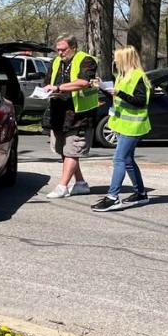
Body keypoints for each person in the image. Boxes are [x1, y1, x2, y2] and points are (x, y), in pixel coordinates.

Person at [91, 46, 151, 211]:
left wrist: (118, 93)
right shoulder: (122, 76)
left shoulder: (138, 76)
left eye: (117, 58)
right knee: (128, 160)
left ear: (125, 59)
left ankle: (113, 197)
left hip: (134, 126)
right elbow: (119, 98)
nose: (115, 61)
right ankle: (140, 193)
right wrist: (102, 87)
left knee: (119, 160)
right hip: (124, 125)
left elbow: (140, 101)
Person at [42, 34, 99, 199]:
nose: (60, 53)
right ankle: (80, 183)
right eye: (58, 49)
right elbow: (47, 83)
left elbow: (84, 82)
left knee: (72, 151)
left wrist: (58, 88)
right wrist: (46, 90)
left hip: (80, 114)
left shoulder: (86, 60)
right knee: (64, 150)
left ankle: (62, 186)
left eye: (63, 49)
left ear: (73, 47)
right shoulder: (55, 62)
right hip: (59, 113)